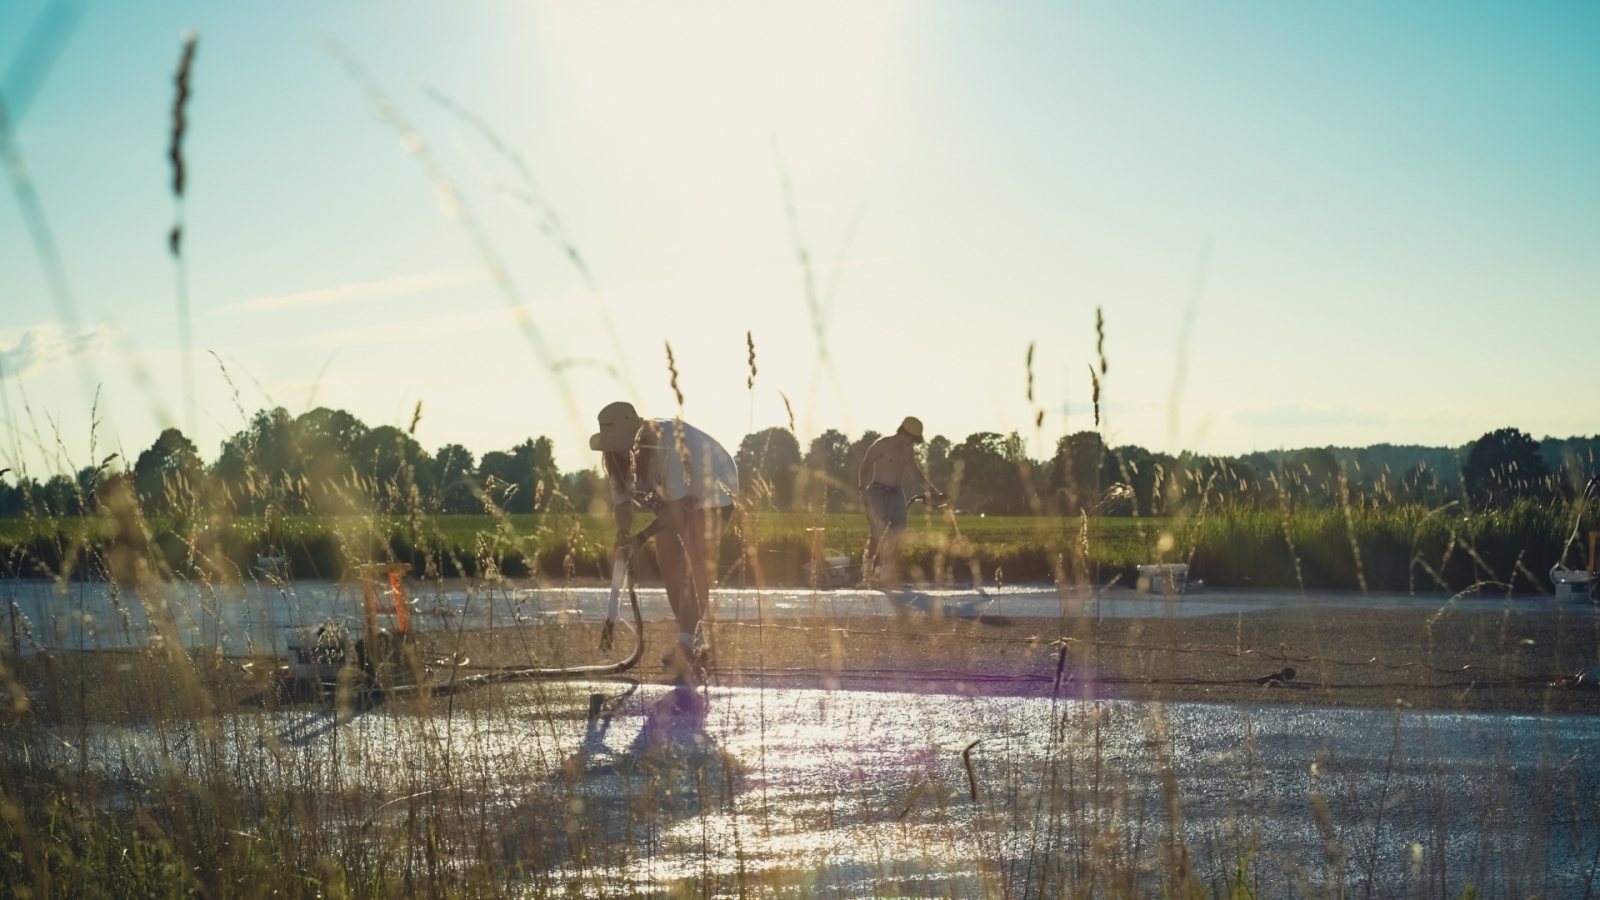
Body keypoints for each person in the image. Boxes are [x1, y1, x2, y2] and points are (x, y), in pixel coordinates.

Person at [591, 401, 738, 674]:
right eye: (614, 443)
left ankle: (685, 643)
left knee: (695, 554)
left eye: (624, 441)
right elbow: (622, 504)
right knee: (667, 560)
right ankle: (698, 643)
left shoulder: (664, 444)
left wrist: (643, 536)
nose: (620, 448)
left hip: (713, 485)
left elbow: (680, 507)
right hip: (674, 498)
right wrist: (624, 536)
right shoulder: (615, 461)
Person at [856, 416, 946, 590]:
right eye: (912, 438)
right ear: (904, 432)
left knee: (896, 535)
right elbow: (865, 465)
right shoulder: (882, 445)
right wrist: (862, 489)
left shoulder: (908, 450)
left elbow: (915, 472)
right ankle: (866, 572)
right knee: (877, 534)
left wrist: (933, 491)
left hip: (897, 494)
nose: (913, 442)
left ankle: (886, 576)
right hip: (878, 492)